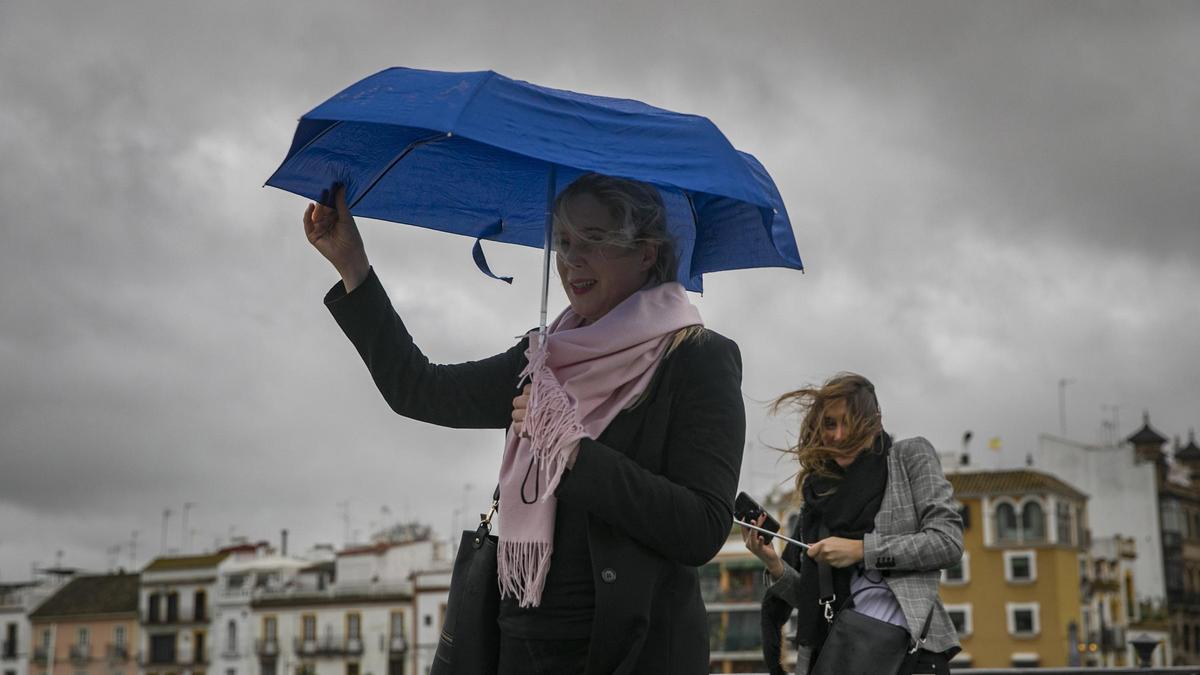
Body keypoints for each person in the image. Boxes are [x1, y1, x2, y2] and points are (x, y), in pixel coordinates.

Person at [303, 173, 746, 674]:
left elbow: (703, 527)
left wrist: (574, 452)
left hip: (629, 654)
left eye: (594, 241)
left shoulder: (696, 358)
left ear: (646, 252)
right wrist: (352, 266)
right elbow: (418, 389)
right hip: (520, 647)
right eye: (562, 242)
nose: (571, 260)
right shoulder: (542, 358)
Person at [742, 373, 963, 675]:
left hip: (910, 656)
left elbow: (947, 542)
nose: (839, 435)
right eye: (830, 424)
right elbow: (813, 600)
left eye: (851, 422)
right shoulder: (819, 493)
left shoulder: (908, 457)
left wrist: (862, 550)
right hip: (839, 656)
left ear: (875, 420)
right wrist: (772, 563)